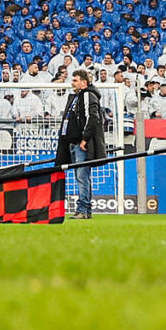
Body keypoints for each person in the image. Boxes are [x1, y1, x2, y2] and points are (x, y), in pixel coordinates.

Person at [55, 69, 107, 219]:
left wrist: (84, 139)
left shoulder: (87, 95)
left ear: (84, 83)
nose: (72, 83)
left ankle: (83, 209)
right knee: (80, 176)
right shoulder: (77, 97)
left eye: (75, 80)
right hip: (72, 142)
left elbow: (92, 117)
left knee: (82, 176)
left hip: (80, 143)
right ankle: (84, 210)